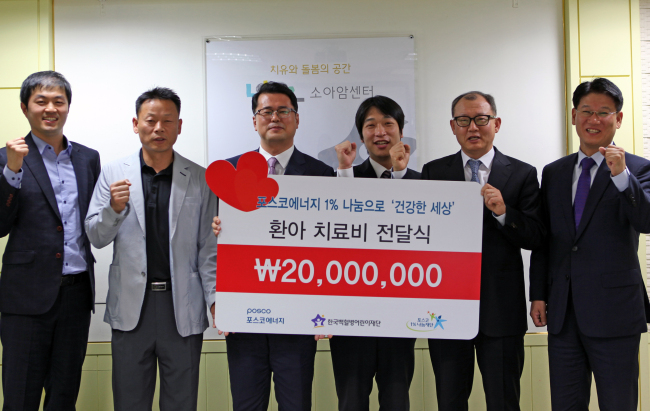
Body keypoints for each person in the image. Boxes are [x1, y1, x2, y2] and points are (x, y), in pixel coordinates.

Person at [85, 87, 217, 411]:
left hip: (182, 306)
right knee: (130, 402)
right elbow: (95, 235)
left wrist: (215, 300)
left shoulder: (200, 178)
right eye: (151, 120)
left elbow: (208, 249)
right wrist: (113, 210)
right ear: (136, 124)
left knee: (181, 402)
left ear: (179, 126)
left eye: (167, 121)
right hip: (132, 308)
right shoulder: (114, 174)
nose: (159, 128)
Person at [529, 78, 650, 411]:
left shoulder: (637, 169)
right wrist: (538, 293)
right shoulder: (554, 173)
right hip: (563, 312)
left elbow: (647, 222)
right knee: (566, 405)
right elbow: (545, 240)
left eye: (604, 112)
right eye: (586, 111)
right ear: (573, 115)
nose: (593, 120)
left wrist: (621, 176)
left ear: (618, 119)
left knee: (618, 403)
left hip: (615, 312)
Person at [421, 91, 544, 411]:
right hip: (446, 311)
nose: (472, 127)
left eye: (481, 119)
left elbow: (537, 237)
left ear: (496, 123)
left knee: (504, 401)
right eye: (463, 120)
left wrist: (505, 212)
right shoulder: (434, 172)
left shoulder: (522, 173)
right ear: (453, 126)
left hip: (501, 311)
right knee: (449, 401)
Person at [217, 81, 333, 411]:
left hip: (297, 318)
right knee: (246, 405)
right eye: (266, 111)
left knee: (296, 404)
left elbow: (328, 249)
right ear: (254, 120)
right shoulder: (230, 171)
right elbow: (215, 248)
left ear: (297, 119)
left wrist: (327, 310)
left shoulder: (320, 175)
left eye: (284, 111)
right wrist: (221, 302)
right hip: (244, 317)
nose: (275, 117)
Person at [0, 71, 101, 411]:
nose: (50, 108)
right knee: (20, 397)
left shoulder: (88, 158)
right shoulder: (6, 158)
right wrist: (12, 172)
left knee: (64, 395)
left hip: (76, 294)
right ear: (25, 107)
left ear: (68, 107)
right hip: (25, 298)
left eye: (59, 101)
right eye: (41, 101)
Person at [330, 95, 419, 410]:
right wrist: (344, 170)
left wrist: (399, 175)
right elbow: (333, 236)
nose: (380, 132)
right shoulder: (343, 179)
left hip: (399, 316)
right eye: (371, 125)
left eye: (388, 124)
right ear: (360, 134)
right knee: (351, 401)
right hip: (350, 317)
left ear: (401, 131)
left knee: (396, 401)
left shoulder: (423, 184)